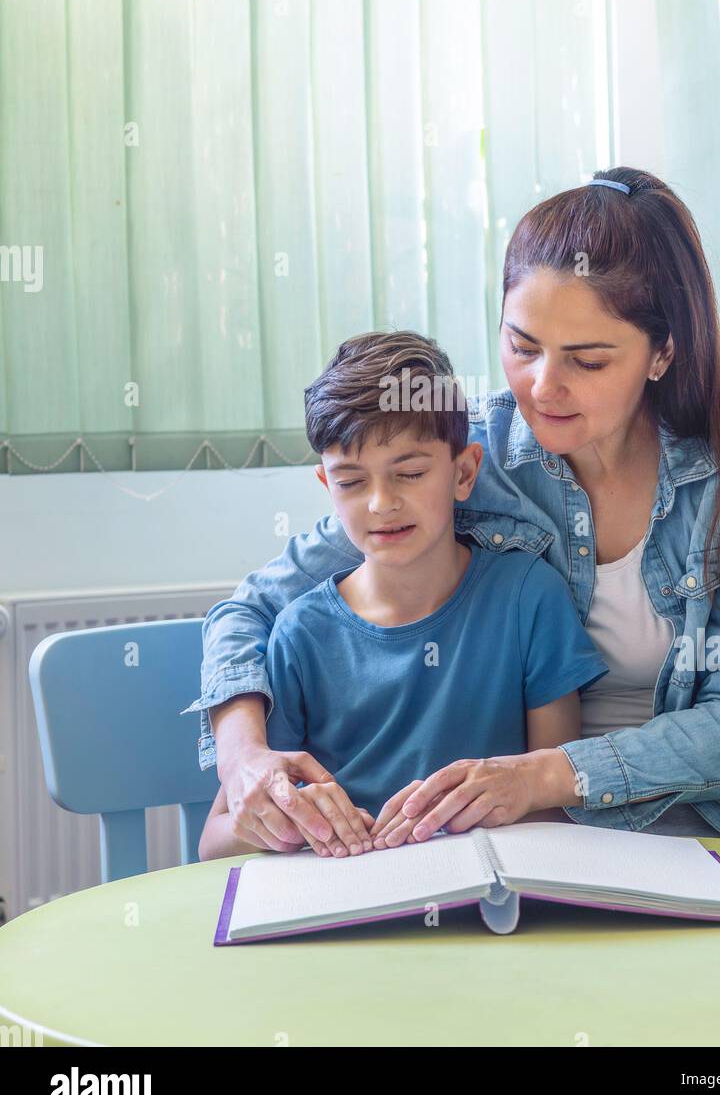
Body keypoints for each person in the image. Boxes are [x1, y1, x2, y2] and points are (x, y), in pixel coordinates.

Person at [183, 167, 720, 856]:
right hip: (558, 839)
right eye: (521, 346)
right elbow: (251, 609)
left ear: (662, 352)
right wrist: (243, 758)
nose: (543, 386)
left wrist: (542, 777)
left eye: (588, 360)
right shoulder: (469, 455)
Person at [197, 331, 609, 861]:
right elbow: (214, 841)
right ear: (326, 487)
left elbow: (554, 806)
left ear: (464, 473)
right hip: (343, 899)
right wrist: (301, 825)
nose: (382, 504)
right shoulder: (299, 633)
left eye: (410, 473)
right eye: (351, 482)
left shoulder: (529, 598)